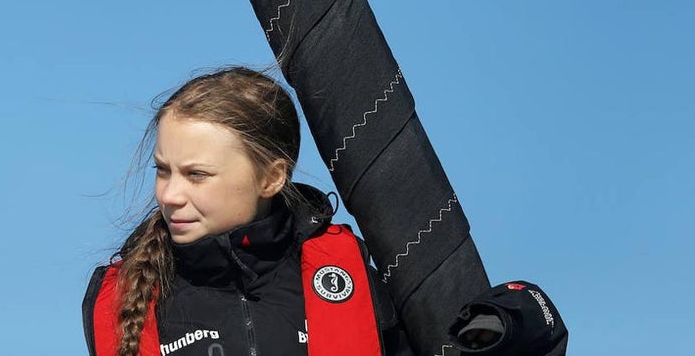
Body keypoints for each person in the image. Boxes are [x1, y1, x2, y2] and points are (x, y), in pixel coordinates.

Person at [82, 67, 567, 356]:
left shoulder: (352, 272)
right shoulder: (122, 297)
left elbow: (466, 338)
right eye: (163, 170)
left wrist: (514, 321)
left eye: (197, 174)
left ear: (272, 177)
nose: (169, 194)